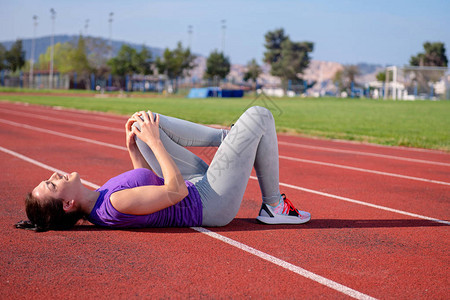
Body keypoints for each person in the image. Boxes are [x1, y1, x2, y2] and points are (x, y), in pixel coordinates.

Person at [16, 106, 311, 232]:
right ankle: (274, 205)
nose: (54, 176)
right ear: (68, 204)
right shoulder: (113, 203)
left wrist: (135, 148)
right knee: (259, 115)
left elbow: (146, 184)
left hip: (195, 186)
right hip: (210, 202)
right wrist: (155, 143)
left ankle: (226, 137)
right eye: (52, 185)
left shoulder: (100, 199)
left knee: (141, 120)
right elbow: (174, 190)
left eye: (49, 179)